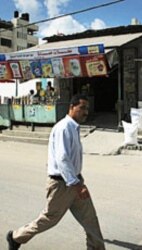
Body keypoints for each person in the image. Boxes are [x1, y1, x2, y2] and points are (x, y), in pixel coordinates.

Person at [7, 94, 106, 250]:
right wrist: (76, 184)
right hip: (62, 184)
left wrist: (78, 181)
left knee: (90, 218)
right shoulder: (64, 128)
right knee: (49, 219)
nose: (85, 112)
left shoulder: (73, 127)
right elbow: (62, 159)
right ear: (72, 108)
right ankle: (16, 237)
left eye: (87, 108)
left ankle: (96, 248)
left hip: (75, 180)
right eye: (82, 108)